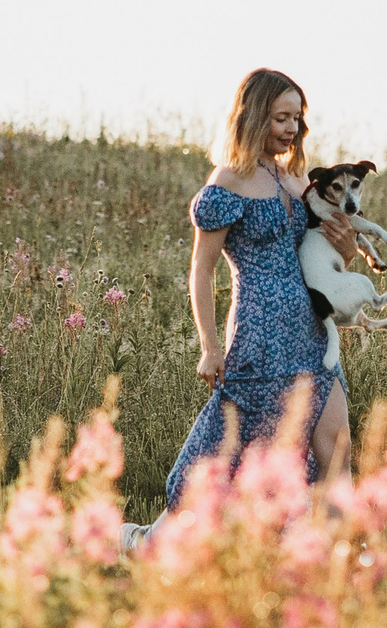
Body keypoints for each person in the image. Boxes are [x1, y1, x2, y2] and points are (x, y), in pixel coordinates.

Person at [151, 68, 358, 531]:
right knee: (236, 459)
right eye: (281, 118)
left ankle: (339, 558)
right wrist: (210, 346)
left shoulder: (296, 182)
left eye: (297, 119)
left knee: (336, 452)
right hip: (259, 340)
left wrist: (346, 252)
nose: (291, 129)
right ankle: (151, 541)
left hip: (312, 334)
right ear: (253, 116)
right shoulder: (229, 181)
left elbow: (322, 257)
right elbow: (201, 269)